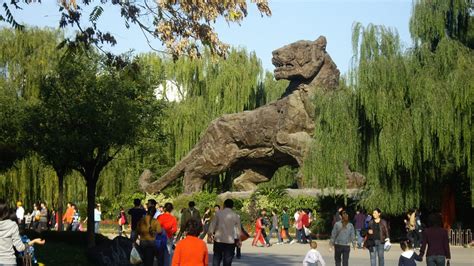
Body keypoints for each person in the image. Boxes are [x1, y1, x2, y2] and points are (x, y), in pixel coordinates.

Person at [0, 199, 45, 265]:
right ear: (6, 211)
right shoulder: (12, 225)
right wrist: (33, 241)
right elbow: (20, 248)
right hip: (9, 261)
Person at [208, 199, 241, 266]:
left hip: (218, 240)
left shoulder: (218, 214)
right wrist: (239, 240)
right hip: (230, 242)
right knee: (227, 262)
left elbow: (212, 225)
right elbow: (238, 230)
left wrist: (209, 235)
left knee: (216, 260)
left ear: (224, 205)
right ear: (232, 206)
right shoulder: (235, 216)